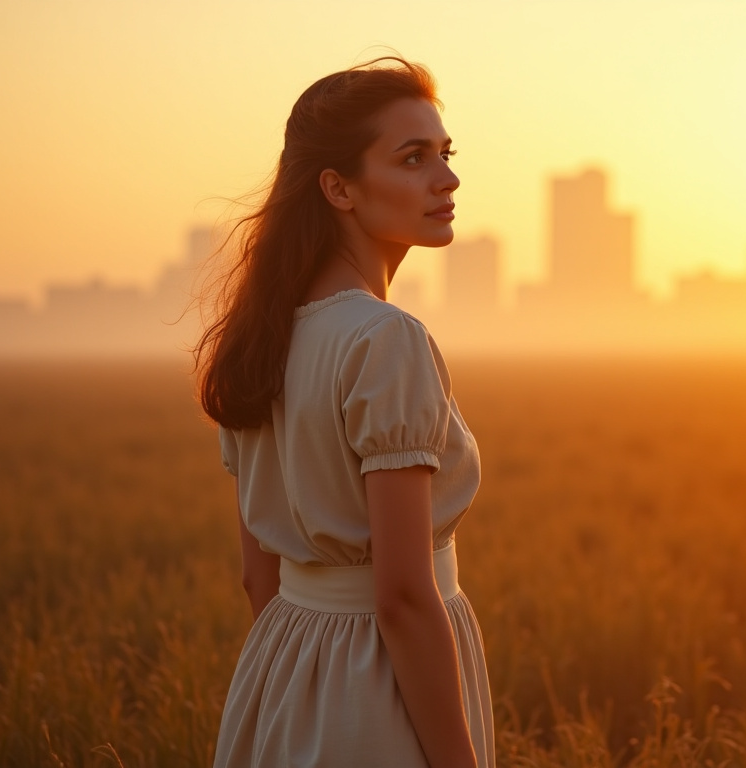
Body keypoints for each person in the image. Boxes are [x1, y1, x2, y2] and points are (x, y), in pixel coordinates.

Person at [196, 57, 493, 768]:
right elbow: (401, 595)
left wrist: (297, 684)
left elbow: (256, 577)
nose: (446, 178)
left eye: (446, 155)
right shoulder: (385, 339)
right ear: (338, 188)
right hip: (382, 685)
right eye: (413, 158)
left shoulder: (260, 336)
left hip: (283, 668)